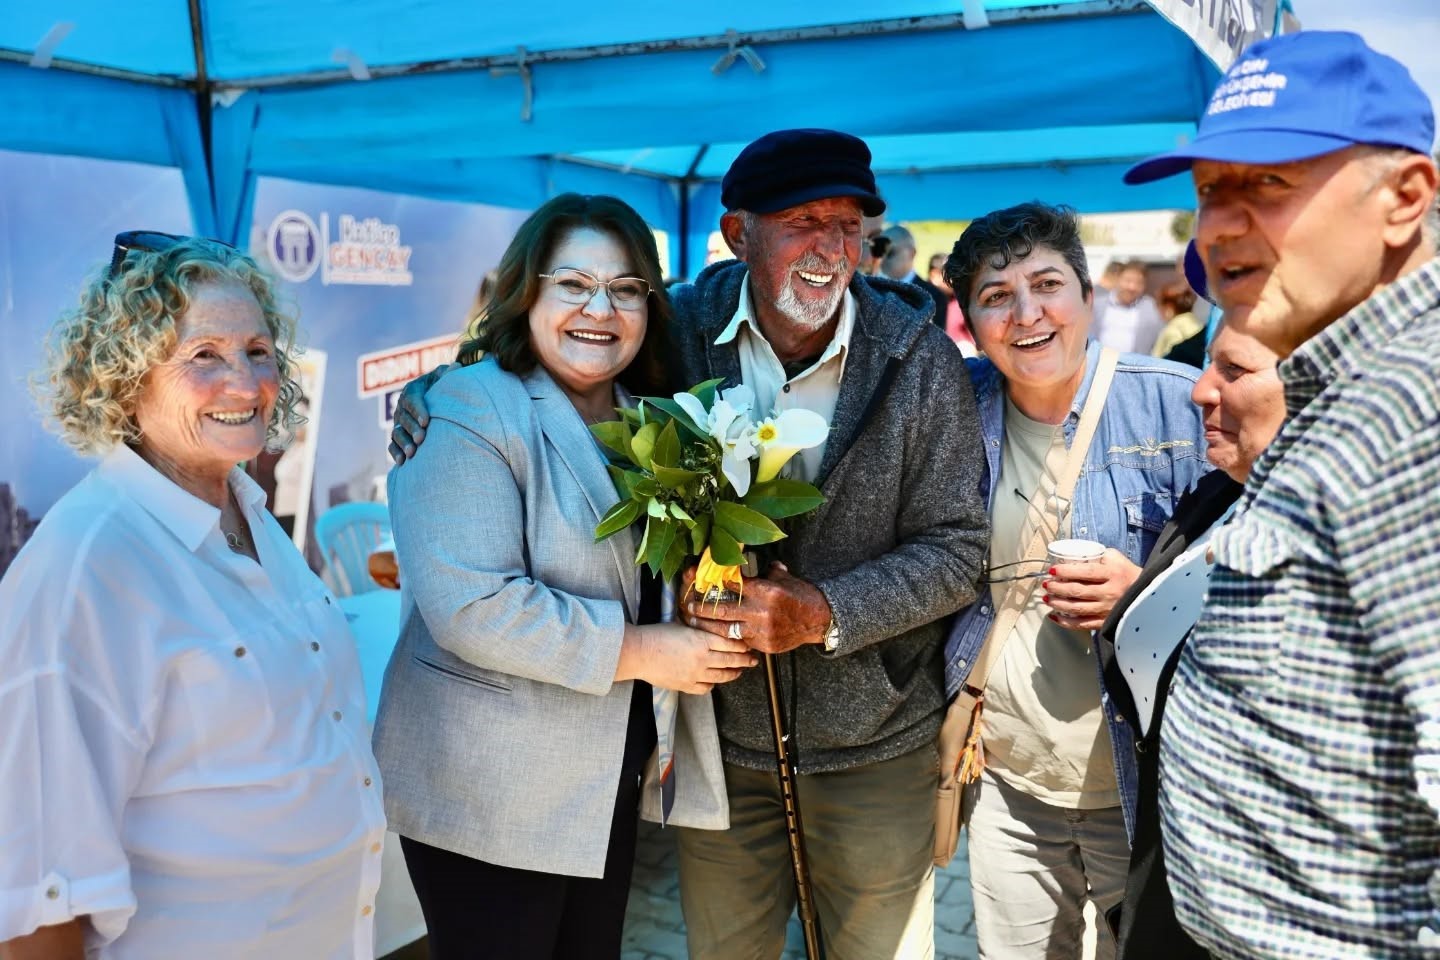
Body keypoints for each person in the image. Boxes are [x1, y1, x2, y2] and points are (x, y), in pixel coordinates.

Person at [390, 129, 991, 960]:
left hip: (873, 742)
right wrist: (445, 385)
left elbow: (958, 548)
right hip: (720, 743)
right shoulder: (677, 324)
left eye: (850, 226)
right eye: (803, 221)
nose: (831, 246)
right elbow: (560, 350)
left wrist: (825, 613)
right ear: (740, 235)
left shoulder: (919, 357)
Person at [1122, 29, 1440, 958]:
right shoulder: (1354, 389)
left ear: (1405, 199)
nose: (1219, 226)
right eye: (1210, 189)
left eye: (1269, 183)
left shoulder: (1416, 413)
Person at [371, 194, 752, 960]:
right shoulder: (470, 405)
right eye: (572, 283)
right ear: (526, 292)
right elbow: (475, 606)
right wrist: (649, 652)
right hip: (487, 786)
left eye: (624, 288)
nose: (599, 308)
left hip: (601, 771)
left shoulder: (659, 418)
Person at [0, 233, 387, 958]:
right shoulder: (85, 566)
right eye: (202, 355)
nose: (245, 382)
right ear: (124, 378)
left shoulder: (244, 509)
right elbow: (33, 900)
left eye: (258, 349)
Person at [940, 202, 1210, 960]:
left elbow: (1255, 577)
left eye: (1047, 284)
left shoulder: (1177, 404)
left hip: (1147, 788)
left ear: (1087, 296)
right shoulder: (956, 410)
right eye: (996, 296)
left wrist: (1145, 593)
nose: (1028, 314)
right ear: (971, 320)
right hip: (1009, 787)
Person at [1096, 313, 1288, 960]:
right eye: (1211, 364)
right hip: (1171, 873)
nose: (1200, 390)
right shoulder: (1217, 494)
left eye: (1233, 370)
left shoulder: (1347, 547)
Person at [880, 224, 949, 329]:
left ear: (912, 253)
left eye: (890, 252)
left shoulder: (934, 296)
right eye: (879, 252)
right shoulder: (873, 289)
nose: (883, 259)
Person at [1092, 260, 1165, 354]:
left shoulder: (1150, 308)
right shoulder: (1097, 305)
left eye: (1139, 283)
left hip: (1135, 365)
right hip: (1100, 364)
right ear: (1118, 279)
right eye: (1128, 281)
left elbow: (1160, 339)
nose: (1132, 287)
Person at [1149, 282, 1200, 361]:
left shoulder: (1173, 330)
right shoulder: (1197, 325)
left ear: (1169, 308)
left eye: (1159, 306)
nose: (1158, 311)